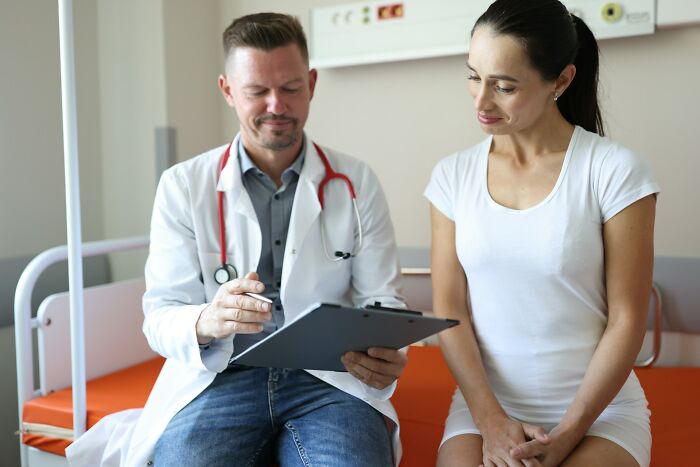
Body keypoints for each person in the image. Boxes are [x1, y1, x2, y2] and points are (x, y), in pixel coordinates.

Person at [121, 12, 406, 467]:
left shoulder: (356, 181)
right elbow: (160, 315)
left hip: (327, 379)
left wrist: (390, 348)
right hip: (221, 374)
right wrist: (209, 319)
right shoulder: (183, 185)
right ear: (228, 90)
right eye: (257, 91)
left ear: (311, 83)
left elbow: (381, 299)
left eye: (291, 87)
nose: (277, 105)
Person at [424, 1, 659, 466]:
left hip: (599, 412)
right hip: (485, 408)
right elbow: (449, 310)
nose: (482, 100)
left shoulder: (612, 170)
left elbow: (628, 319)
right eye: (474, 76)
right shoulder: (452, 178)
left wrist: (569, 432)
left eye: (504, 86)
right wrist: (490, 422)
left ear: (562, 80)